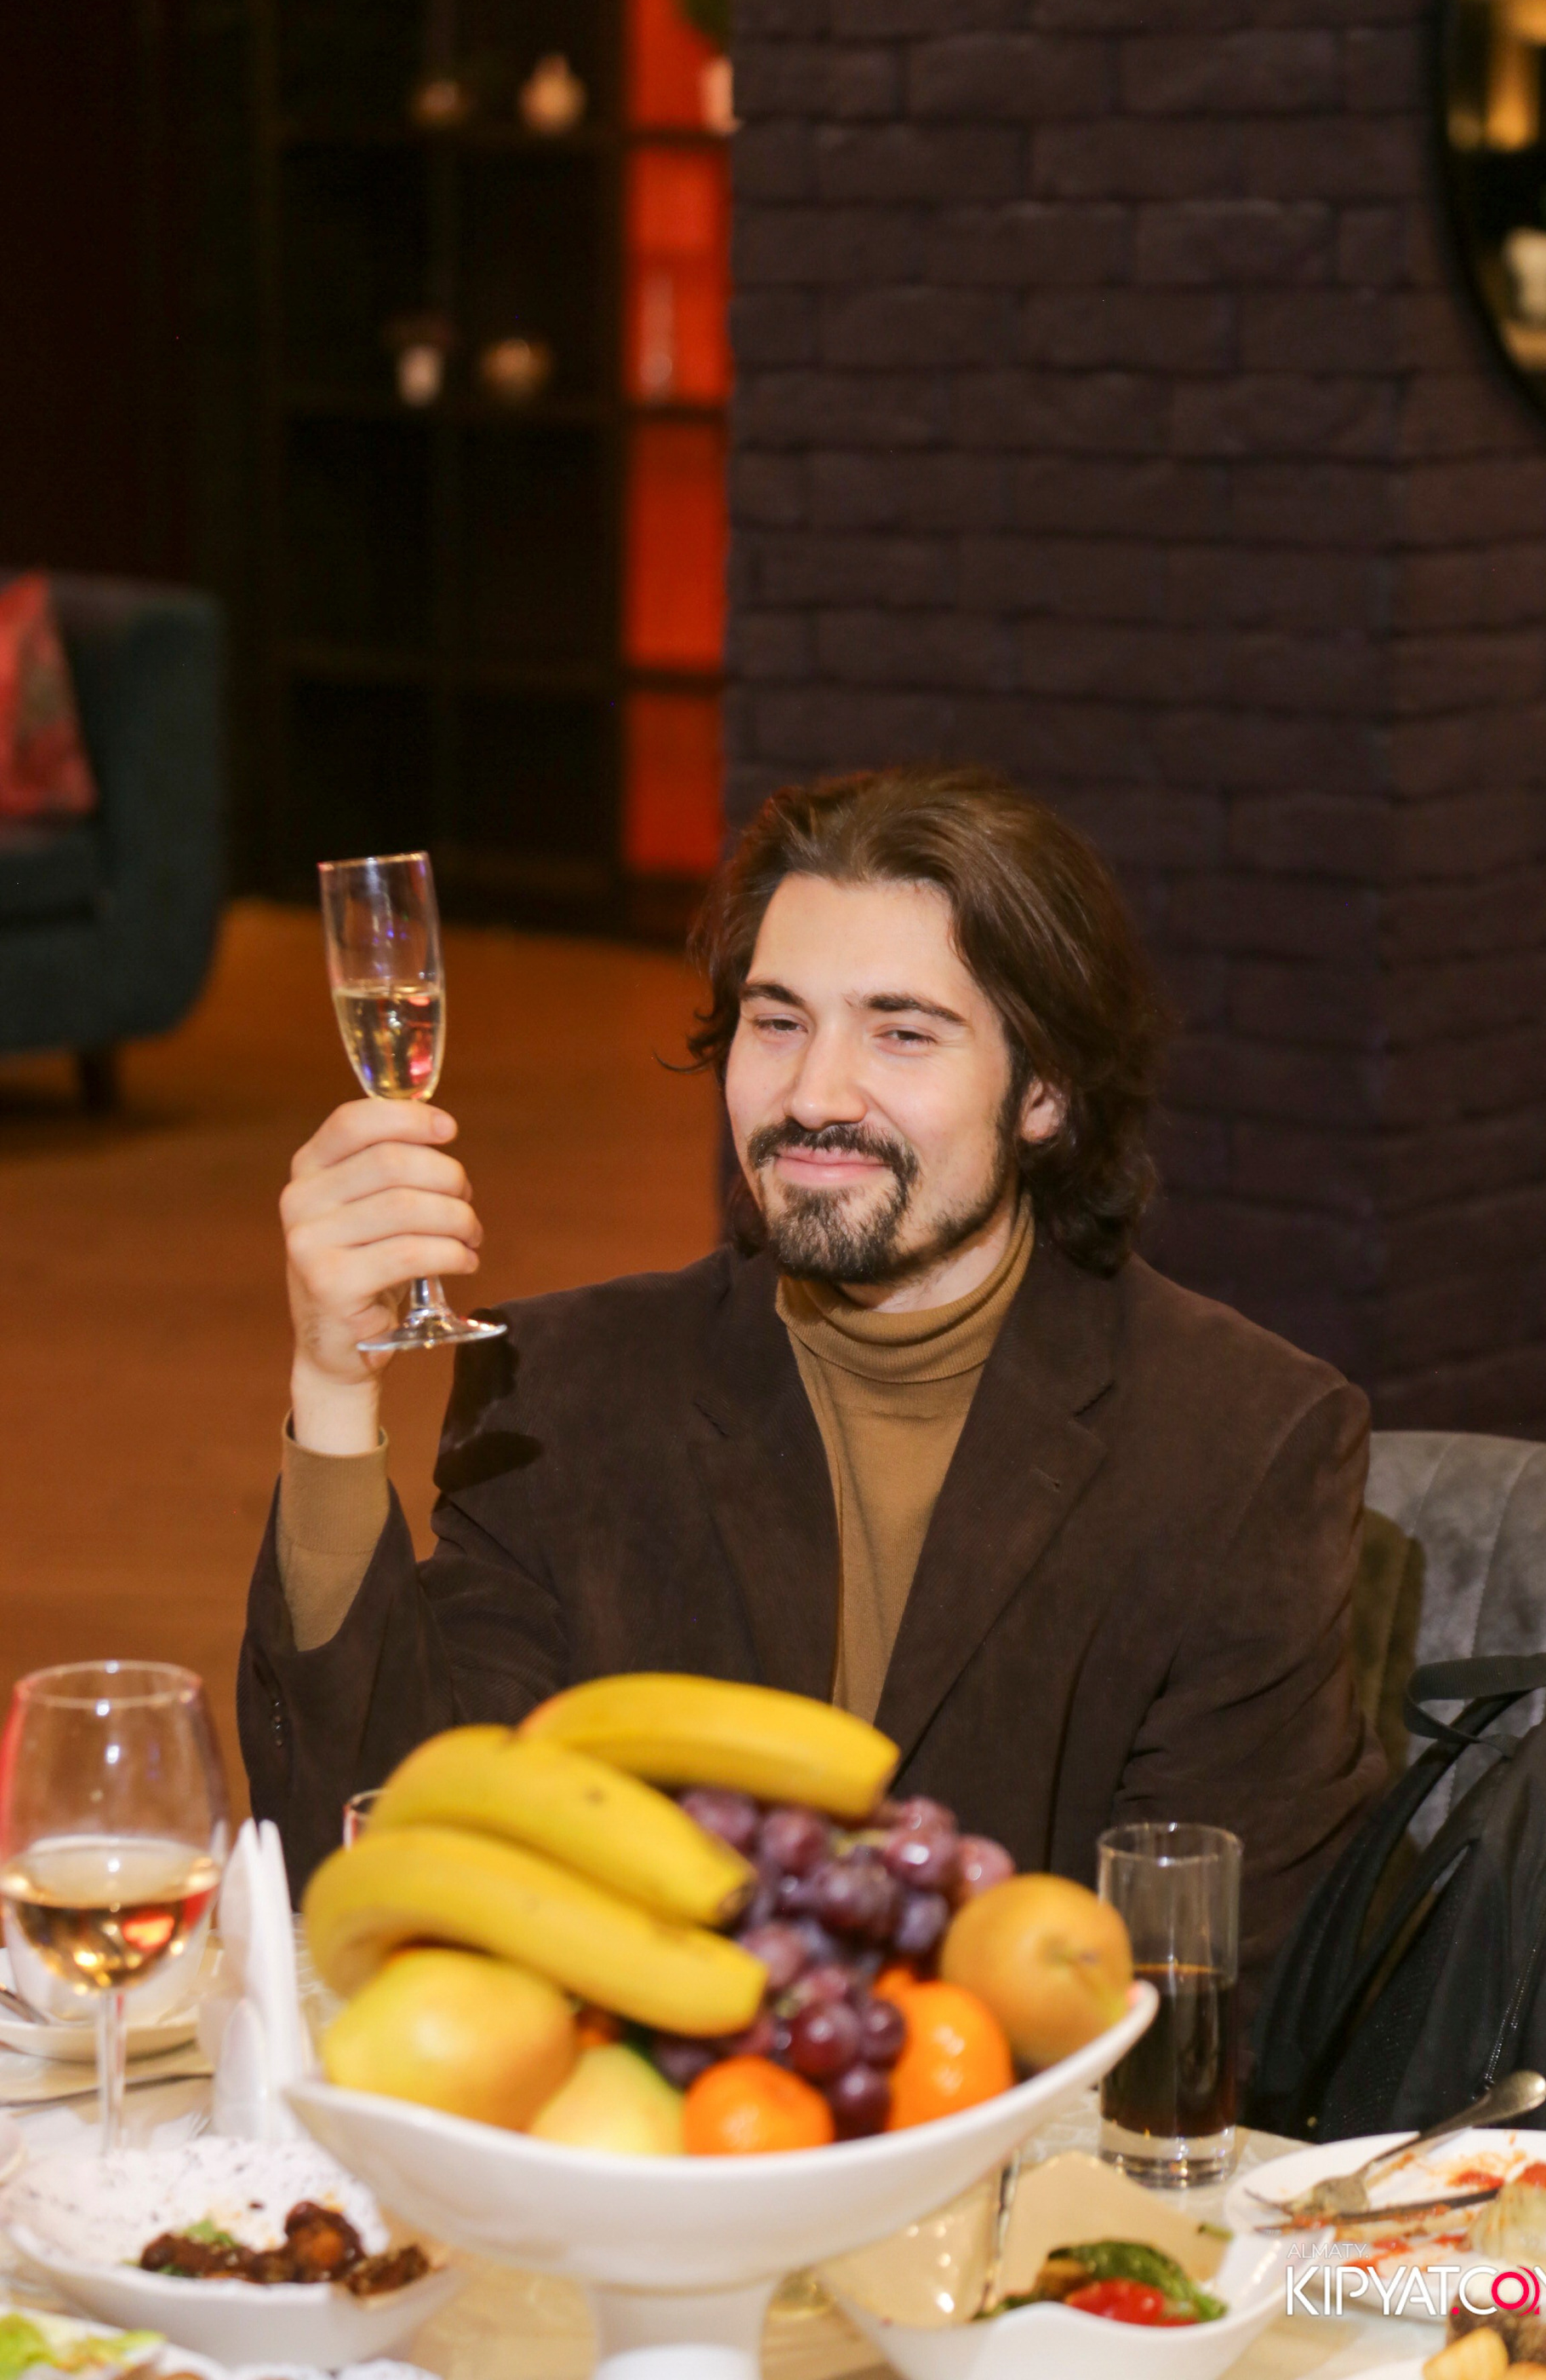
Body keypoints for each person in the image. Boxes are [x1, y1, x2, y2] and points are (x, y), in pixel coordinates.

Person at [241, 768, 1383, 2023]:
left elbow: (1213, 1997)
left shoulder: (1241, 1442)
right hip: (641, 2120)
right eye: (778, 1022)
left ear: (1045, 1091)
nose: (816, 1097)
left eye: (903, 1033)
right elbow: (386, 1864)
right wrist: (333, 1388)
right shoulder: (565, 1387)